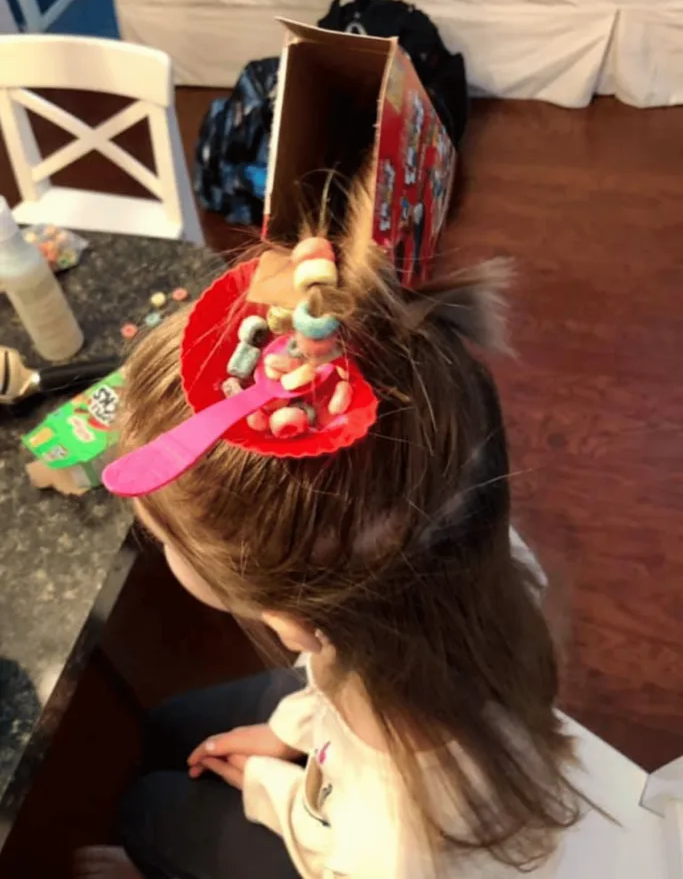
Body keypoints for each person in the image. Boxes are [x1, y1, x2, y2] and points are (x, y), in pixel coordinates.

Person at [77, 230, 580, 879]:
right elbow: (330, 685)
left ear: (291, 624)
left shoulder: (399, 849)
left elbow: (327, 847)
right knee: (172, 724)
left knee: (149, 809)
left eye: (165, 541)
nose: (161, 547)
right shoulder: (466, 561)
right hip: (340, 737)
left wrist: (270, 789)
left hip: (337, 820)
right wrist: (293, 732)